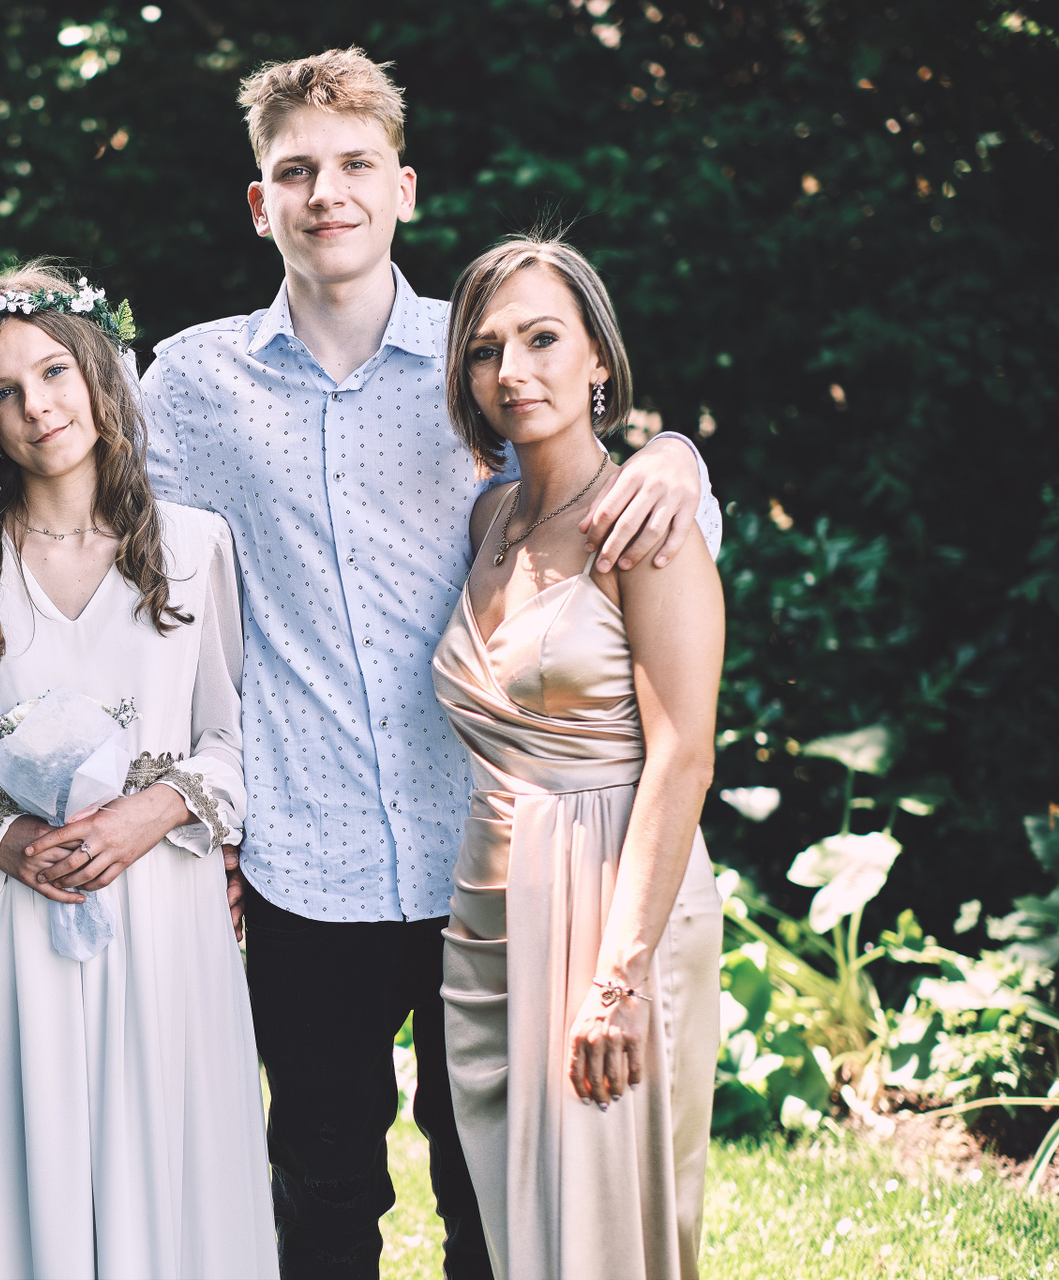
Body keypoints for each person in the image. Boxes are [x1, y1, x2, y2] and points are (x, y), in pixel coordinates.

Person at [138, 48, 723, 1279]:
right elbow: (149, 600)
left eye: (356, 164)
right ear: (259, 202)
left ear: (403, 188)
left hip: (496, 858)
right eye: (295, 170)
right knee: (322, 1187)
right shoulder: (190, 385)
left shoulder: (486, 362)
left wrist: (680, 456)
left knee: (492, 1195)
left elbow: (615, 510)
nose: (326, 192)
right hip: (305, 855)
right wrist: (198, 808)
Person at [0, 263, 277, 1279]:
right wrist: (14, 841)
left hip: (164, 909)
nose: (37, 406)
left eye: (54, 372)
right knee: (34, 1163)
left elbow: (234, 742)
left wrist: (148, 813)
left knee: (170, 1163)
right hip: (23, 918)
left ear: (99, 374)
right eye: (4, 390)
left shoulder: (195, 547)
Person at [432, 234, 725, 1279]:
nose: (513, 369)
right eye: (486, 349)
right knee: (518, 1232)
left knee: (603, 1235)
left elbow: (685, 755)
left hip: (612, 898)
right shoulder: (489, 517)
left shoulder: (646, 526)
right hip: (490, 914)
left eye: (543, 338)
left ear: (599, 356)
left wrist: (619, 976)